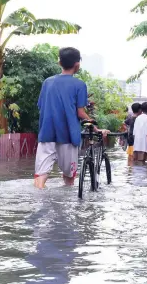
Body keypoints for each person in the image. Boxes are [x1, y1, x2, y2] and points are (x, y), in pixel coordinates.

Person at [34, 47, 108, 189]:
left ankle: (40, 203)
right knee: (69, 178)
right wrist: (96, 128)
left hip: (46, 134)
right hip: (68, 135)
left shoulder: (47, 82)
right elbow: (80, 113)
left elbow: (41, 106)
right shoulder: (79, 85)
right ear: (77, 65)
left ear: (59, 62)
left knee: (41, 175)